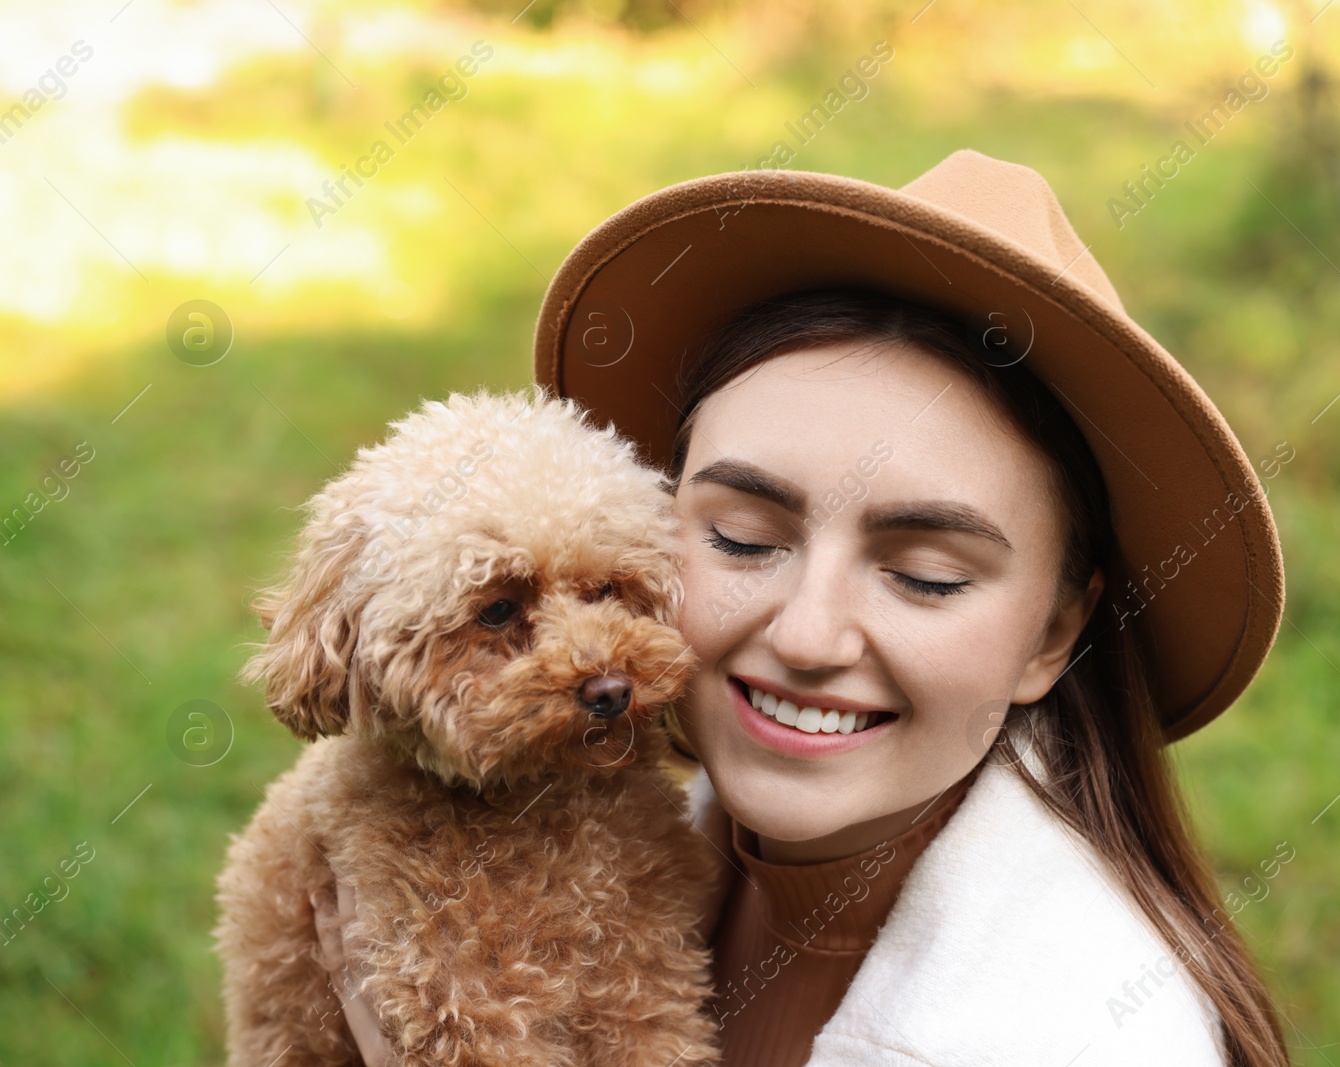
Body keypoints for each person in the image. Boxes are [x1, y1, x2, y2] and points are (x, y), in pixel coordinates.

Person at [308, 150, 1290, 1066]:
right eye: (739, 536)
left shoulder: (1072, 1035)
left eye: (927, 573)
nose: (807, 635)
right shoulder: (627, 835)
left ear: (1053, 633)